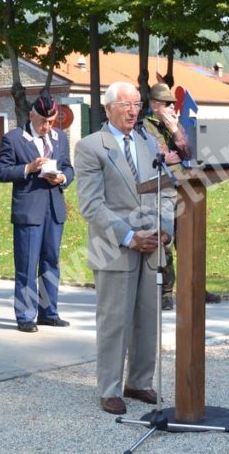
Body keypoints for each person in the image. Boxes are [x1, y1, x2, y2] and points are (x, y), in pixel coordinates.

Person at [75, 81, 176, 415]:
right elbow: (91, 205)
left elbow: (166, 189)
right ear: (108, 108)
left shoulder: (148, 142)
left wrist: (164, 229)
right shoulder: (92, 147)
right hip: (114, 246)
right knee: (114, 321)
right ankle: (109, 388)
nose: (133, 110)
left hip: (151, 245)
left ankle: (139, 382)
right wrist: (130, 235)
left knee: (148, 319)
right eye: (126, 104)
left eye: (136, 104)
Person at [0, 94, 74, 332]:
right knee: (27, 264)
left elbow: (69, 167)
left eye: (51, 121)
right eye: (42, 121)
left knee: (51, 262)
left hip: (54, 208)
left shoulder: (60, 138)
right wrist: (29, 168)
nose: (47, 126)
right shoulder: (14, 138)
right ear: (31, 116)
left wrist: (62, 178)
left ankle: (49, 312)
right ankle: (26, 316)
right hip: (29, 210)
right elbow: (1, 172)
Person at [140, 82, 221, 310]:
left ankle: (195, 287)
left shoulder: (172, 125)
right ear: (155, 105)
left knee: (189, 241)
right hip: (161, 188)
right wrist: (170, 155)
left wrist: (175, 130)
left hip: (183, 187)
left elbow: (186, 153)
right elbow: (158, 157)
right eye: (167, 104)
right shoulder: (145, 127)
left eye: (172, 104)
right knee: (165, 241)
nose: (171, 108)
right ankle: (166, 292)